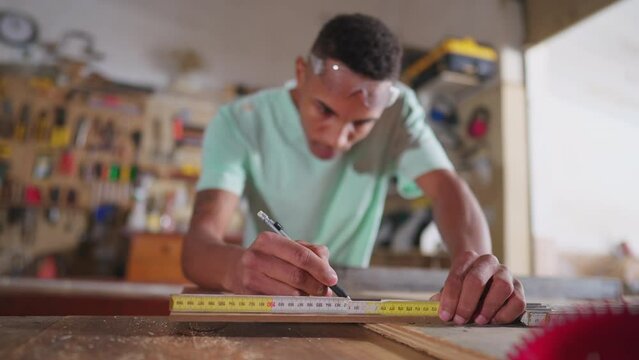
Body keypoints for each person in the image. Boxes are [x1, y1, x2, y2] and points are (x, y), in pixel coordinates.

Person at [182, 13, 525, 325]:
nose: (338, 138)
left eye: (361, 124)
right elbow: (198, 245)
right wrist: (237, 270)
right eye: (324, 110)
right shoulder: (239, 121)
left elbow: (447, 189)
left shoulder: (398, 110)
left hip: (349, 296)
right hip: (262, 292)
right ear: (301, 74)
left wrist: (476, 266)